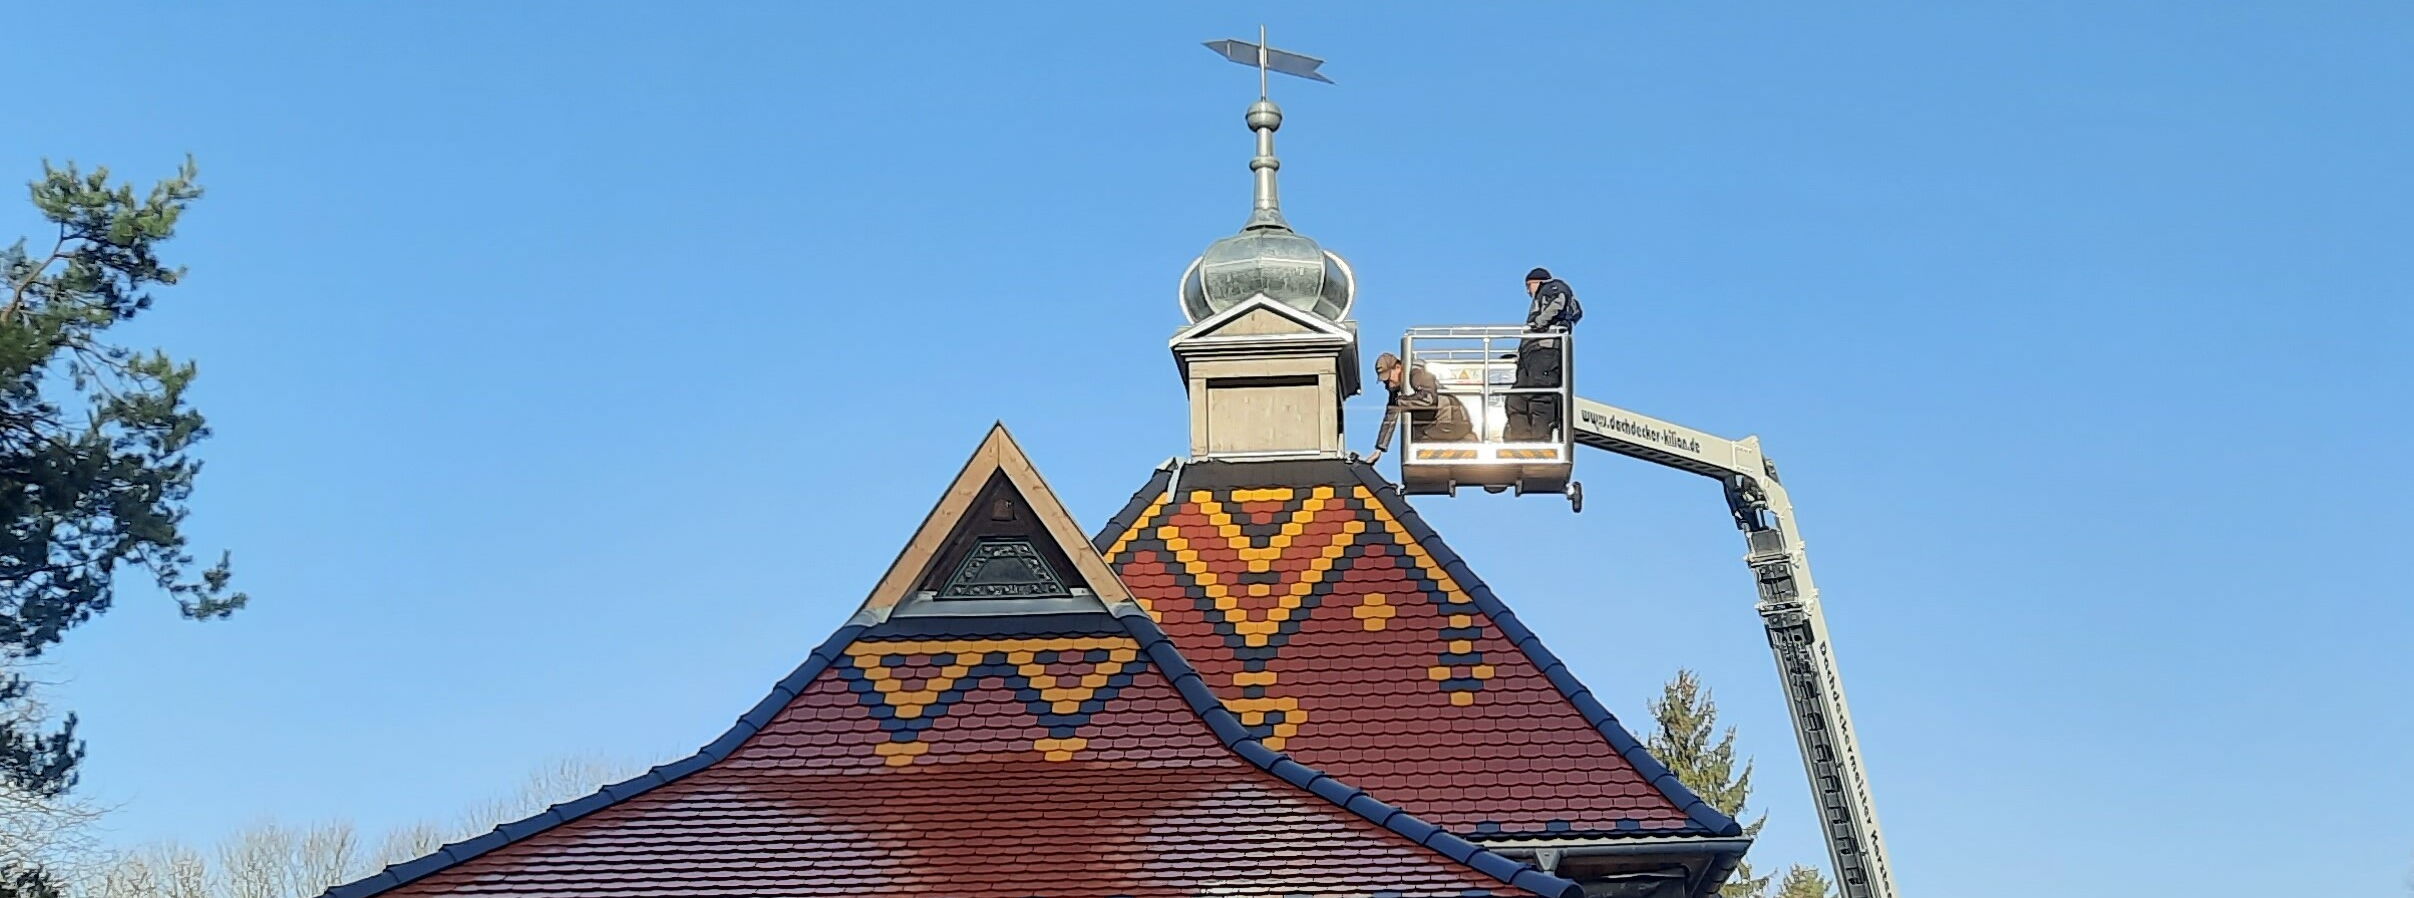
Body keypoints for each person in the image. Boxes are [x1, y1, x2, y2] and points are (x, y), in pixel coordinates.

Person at [1505, 266, 1579, 441]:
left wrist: (1540, 322)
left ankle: (1539, 439)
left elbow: (1560, 300)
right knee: (1516, 398)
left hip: (1544, 350)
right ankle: (1520, 438)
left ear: (1535, 282)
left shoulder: (1552, 287)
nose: (1528, 292)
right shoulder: (1544, 293)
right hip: (1530, 352)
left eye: (1528, 286)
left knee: (1540, 395)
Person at [1367, 352, 1473, 464]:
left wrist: (1402, 402)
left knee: (1419, 441)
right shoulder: (1397, 391)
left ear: (1398, 367)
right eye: (1385, 381)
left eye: (1388, 378)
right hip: (1434, 425)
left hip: (1451, 417)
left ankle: (1466, 439)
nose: (1388, 384)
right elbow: (1390, 416)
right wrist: (1379, 449)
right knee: (1415, 437)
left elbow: (1429, 400)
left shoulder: (1416, 373)